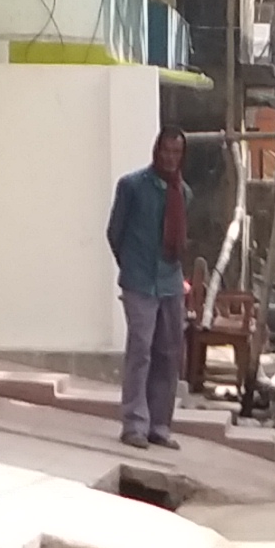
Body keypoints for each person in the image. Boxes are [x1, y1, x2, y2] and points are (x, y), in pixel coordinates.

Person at [104, 127, 193, 450]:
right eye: (166, 151)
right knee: (140, 352)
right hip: (139, 282)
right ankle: (134, 424)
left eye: (177, 152)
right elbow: (114, 232)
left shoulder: (183, 193)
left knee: (169, 355)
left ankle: (160, 425)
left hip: (170, 282)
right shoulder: (132, 187)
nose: (171, 157)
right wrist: (130, 266)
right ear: (157, 150)